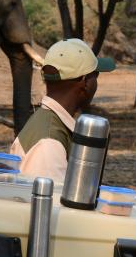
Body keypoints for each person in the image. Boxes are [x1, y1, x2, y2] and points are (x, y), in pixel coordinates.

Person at [11, 38, 115, 181]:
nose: (96, 83)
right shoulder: (49, 144)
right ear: (84, 82)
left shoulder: (48, 122)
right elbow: (50, 201)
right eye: (95, 75)